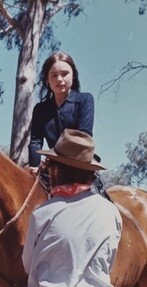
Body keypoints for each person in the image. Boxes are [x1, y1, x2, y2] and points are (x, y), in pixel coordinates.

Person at [22, 129, 123, 287]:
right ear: (90, 173)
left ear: (56, 170)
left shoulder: (42, 215)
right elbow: (109, 261)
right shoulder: (111, 211)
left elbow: (28, 264)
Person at [28, 51, 107, 196]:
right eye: (54, 75)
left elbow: (84, 134)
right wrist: (34, 165)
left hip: (81, 165)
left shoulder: (85, 100)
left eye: (64, 74)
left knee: (98, 200)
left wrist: (54, 158)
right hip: (52, 168)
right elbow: (35, 141)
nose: (59, 79)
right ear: (47, 79)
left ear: (73, 75)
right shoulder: (40, 109)